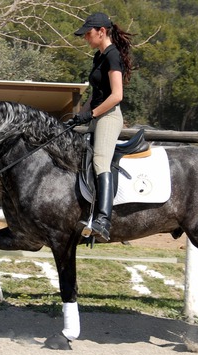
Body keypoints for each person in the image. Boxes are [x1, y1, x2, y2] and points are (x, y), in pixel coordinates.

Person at [73, 12, 133, 241]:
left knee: (100, 161)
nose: (85, 38)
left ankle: (104, 220)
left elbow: (117, 95)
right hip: (97, 115)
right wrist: (81, 115)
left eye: (88, 33)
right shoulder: (98, 57)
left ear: (101, 31)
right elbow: (96, 94)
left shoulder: (112, 56)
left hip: (109, 117)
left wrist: (93, 114)